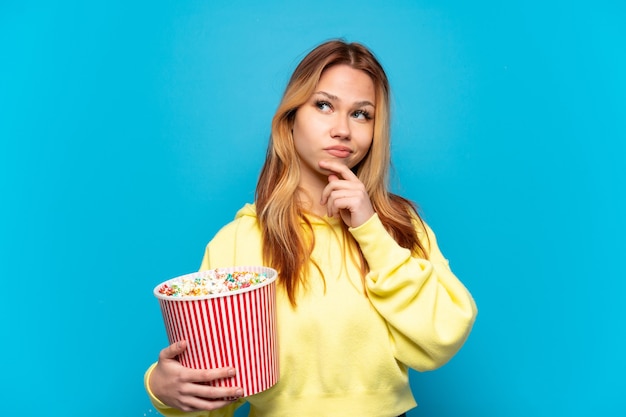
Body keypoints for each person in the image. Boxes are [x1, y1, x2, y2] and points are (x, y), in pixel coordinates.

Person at [144, 39, 477, 417]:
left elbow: (442, 337)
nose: (342, 129)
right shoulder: (238, 242)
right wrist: (161, 389)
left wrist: (370, 230)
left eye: (361, 114)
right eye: (324, 105)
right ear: (291, 118)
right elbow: (214, 392)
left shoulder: (397, 226)